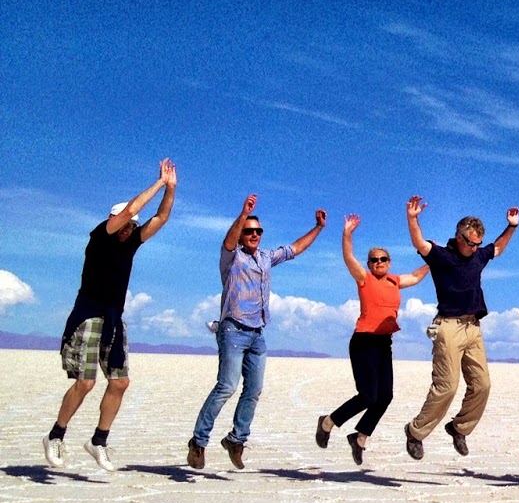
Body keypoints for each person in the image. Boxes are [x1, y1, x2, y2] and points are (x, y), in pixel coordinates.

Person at [46, 159, 176, 471]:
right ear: (113, 220)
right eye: (126, 224)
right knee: (86, 383)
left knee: (120, 383)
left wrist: (171, 190)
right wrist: (158, 183)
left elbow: (161, 217)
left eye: (133, 227)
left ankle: (98, 441)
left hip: (114, 320)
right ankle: (55, 436)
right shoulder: (100, 236)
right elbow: (131, 211)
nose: (130, 229)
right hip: (89, 316)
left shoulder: (131, 243)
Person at [187, 195, 326, 469]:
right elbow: (228, 240)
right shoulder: (232, 258)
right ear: (241, 234)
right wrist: (243, 214)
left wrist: (318, 227)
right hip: (233, 331)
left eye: (257, 231)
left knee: (254, 389)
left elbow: (295, 248)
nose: (253, 235)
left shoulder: (265, 259)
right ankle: (198, 442)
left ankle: (236, 440)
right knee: (227, 386)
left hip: (257, 334)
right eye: (248, 231)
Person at [401, 196, 519, 460]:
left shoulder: (478, 256)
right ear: (459, 236)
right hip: (449, 328)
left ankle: (459, 427)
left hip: (473, 328)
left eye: (478, 243)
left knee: (482, 385)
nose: (475, 248)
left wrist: (511, 227)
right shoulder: (443, 256)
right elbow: (420, 243)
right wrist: (412, 218)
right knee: (447, 387)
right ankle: (415, 432)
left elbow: (497, 248)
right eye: (470, 242)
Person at [315, 215, 431, 465]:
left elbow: (417, 276)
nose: (378, 262)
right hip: (363, 342)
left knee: (385, 396)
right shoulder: (364, 279)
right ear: (369, 264)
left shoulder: (395, 281)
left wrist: (434, 260)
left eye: (383, 259)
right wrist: (347, 234)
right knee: (367, 395)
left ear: (389, 262)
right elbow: (349, 258)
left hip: (383, 344)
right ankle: (328, 422)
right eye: (374, 260)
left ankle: (360, 437)